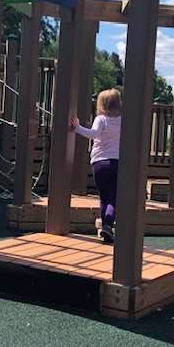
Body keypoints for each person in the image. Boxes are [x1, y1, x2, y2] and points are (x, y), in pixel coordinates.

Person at [69, 88, 121, 244]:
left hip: (99, 163)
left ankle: (106, 226)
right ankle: (108, 223)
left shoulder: (101, 119)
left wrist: (77, 127)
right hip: (117, 162)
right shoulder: (122, 120)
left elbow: (93, 134)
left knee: (103, 196)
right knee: (113, 197)